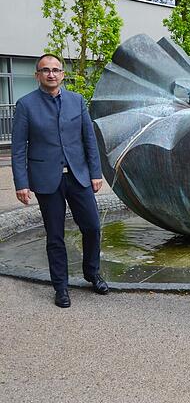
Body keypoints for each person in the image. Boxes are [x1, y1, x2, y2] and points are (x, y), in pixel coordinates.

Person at [11, 53, 109, 308]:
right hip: (46, 179)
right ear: (37, 75)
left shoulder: (77, 101)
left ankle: (92, 272)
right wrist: (21, 183)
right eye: (45, 70)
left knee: (92, 227)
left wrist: (95, 173)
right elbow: (19, 147)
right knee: (55, 236)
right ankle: (61, 287)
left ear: (63, 74)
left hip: (78, 176)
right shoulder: (25, 105)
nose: (51, 74)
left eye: (55, 69)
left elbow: (89, 139)